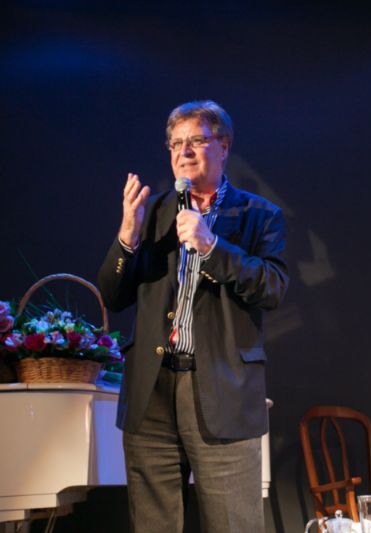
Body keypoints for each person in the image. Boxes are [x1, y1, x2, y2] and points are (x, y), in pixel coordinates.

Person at [98, 100, 288, 533]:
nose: (184, 151)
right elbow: (113, 295)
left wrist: (212, 247)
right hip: (152, 393)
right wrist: (127, 237)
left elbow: (272, 288)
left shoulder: (260, 215)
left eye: (196, 140)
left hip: (221, 391)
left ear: (224, 146)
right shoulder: (152, 213)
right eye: (175, 143)